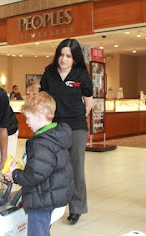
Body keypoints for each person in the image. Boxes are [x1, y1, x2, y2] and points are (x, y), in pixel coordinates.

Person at [4, 91, 74, 236]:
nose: (27, 122)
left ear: (40, 117)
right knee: (42, 228)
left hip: (42, 197)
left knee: (37, 232)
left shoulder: (41, 143)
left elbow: (35, 175)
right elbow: (41, 167)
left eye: (28, 118)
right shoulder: (54, 135)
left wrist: (15, 175)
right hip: (51, 191)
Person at [40, 38, 93, 225]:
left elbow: (89, 101)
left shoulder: (81, 75)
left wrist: (79, 115)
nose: (64, 59)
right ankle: (53, 205)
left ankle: (76, 207)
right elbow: (43, 100)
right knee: (54, 167)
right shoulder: (49, 75)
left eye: (68, 56)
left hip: (77, 126)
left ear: (75, 58)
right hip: (54, 126)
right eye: (61, 55)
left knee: (76, 168)